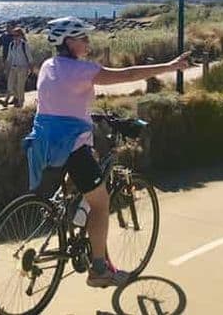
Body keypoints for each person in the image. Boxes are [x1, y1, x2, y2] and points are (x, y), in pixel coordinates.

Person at [23, 17, 189, 288]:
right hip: (72, 146)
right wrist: (170, 66)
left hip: (42, 143)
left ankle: (70, 223)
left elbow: (61, 103)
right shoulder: (82, 71)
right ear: (68, 42)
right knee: (100, 203)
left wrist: (87, 115)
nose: (88, 42)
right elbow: (128, 74)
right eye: (82, 38)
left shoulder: (47, 66)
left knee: (81, 180)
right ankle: (99, 270)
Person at [4, 27, 33, 107]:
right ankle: (17, 98)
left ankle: (20, 103)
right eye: (13, 35)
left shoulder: (24, 45)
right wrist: (6, 68)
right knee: (10, 86)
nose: (14, 37)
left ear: (20, 35)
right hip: (13, 67)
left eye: (16, 35)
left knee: (20, 87)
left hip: (23, 68)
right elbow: (9, 57)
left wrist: (31, 69)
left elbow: (30, 58)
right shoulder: (12, 44)